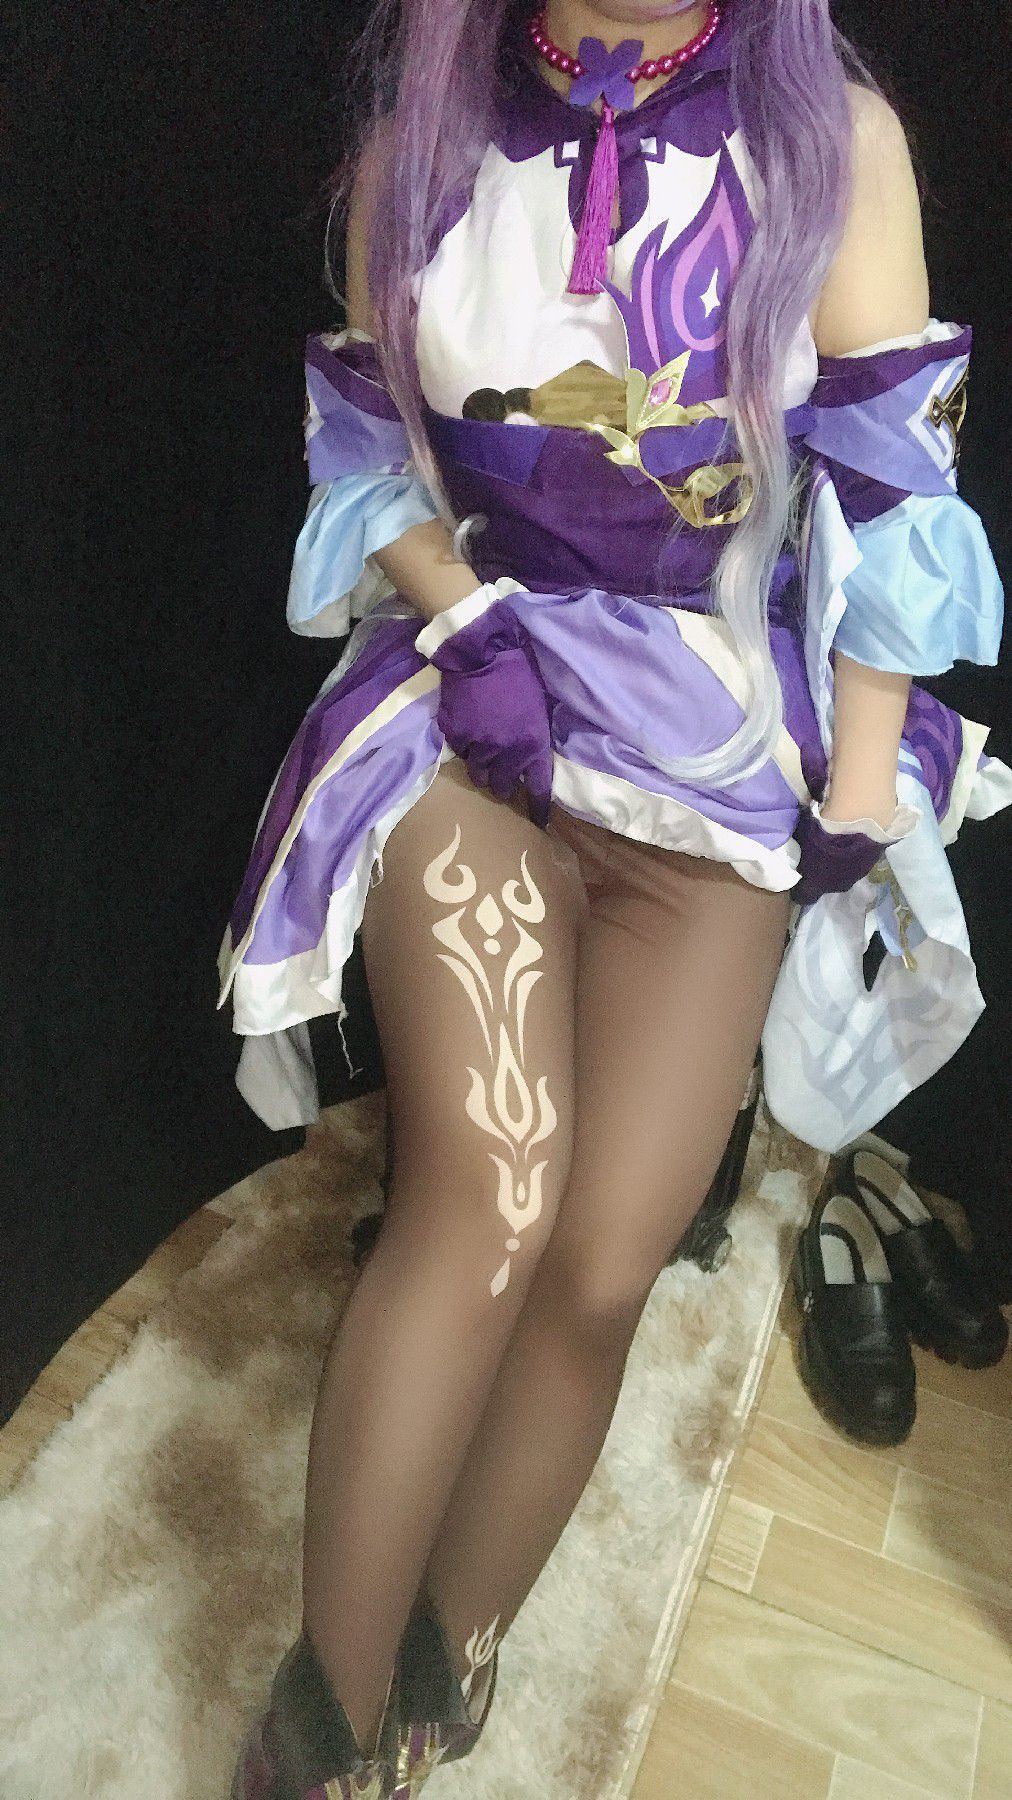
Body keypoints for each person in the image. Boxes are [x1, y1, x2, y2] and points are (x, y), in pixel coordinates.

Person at [223, 2, 1010, 1793]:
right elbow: (362, 449)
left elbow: (897, 492)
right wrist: (463, 621)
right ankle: (316, 1737)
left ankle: (450, 1662)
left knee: (603, 1259)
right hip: (476, 714)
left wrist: (856, 795)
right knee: (493, 1197)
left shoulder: (835, 148)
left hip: (711, 749)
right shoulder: (418, 140)